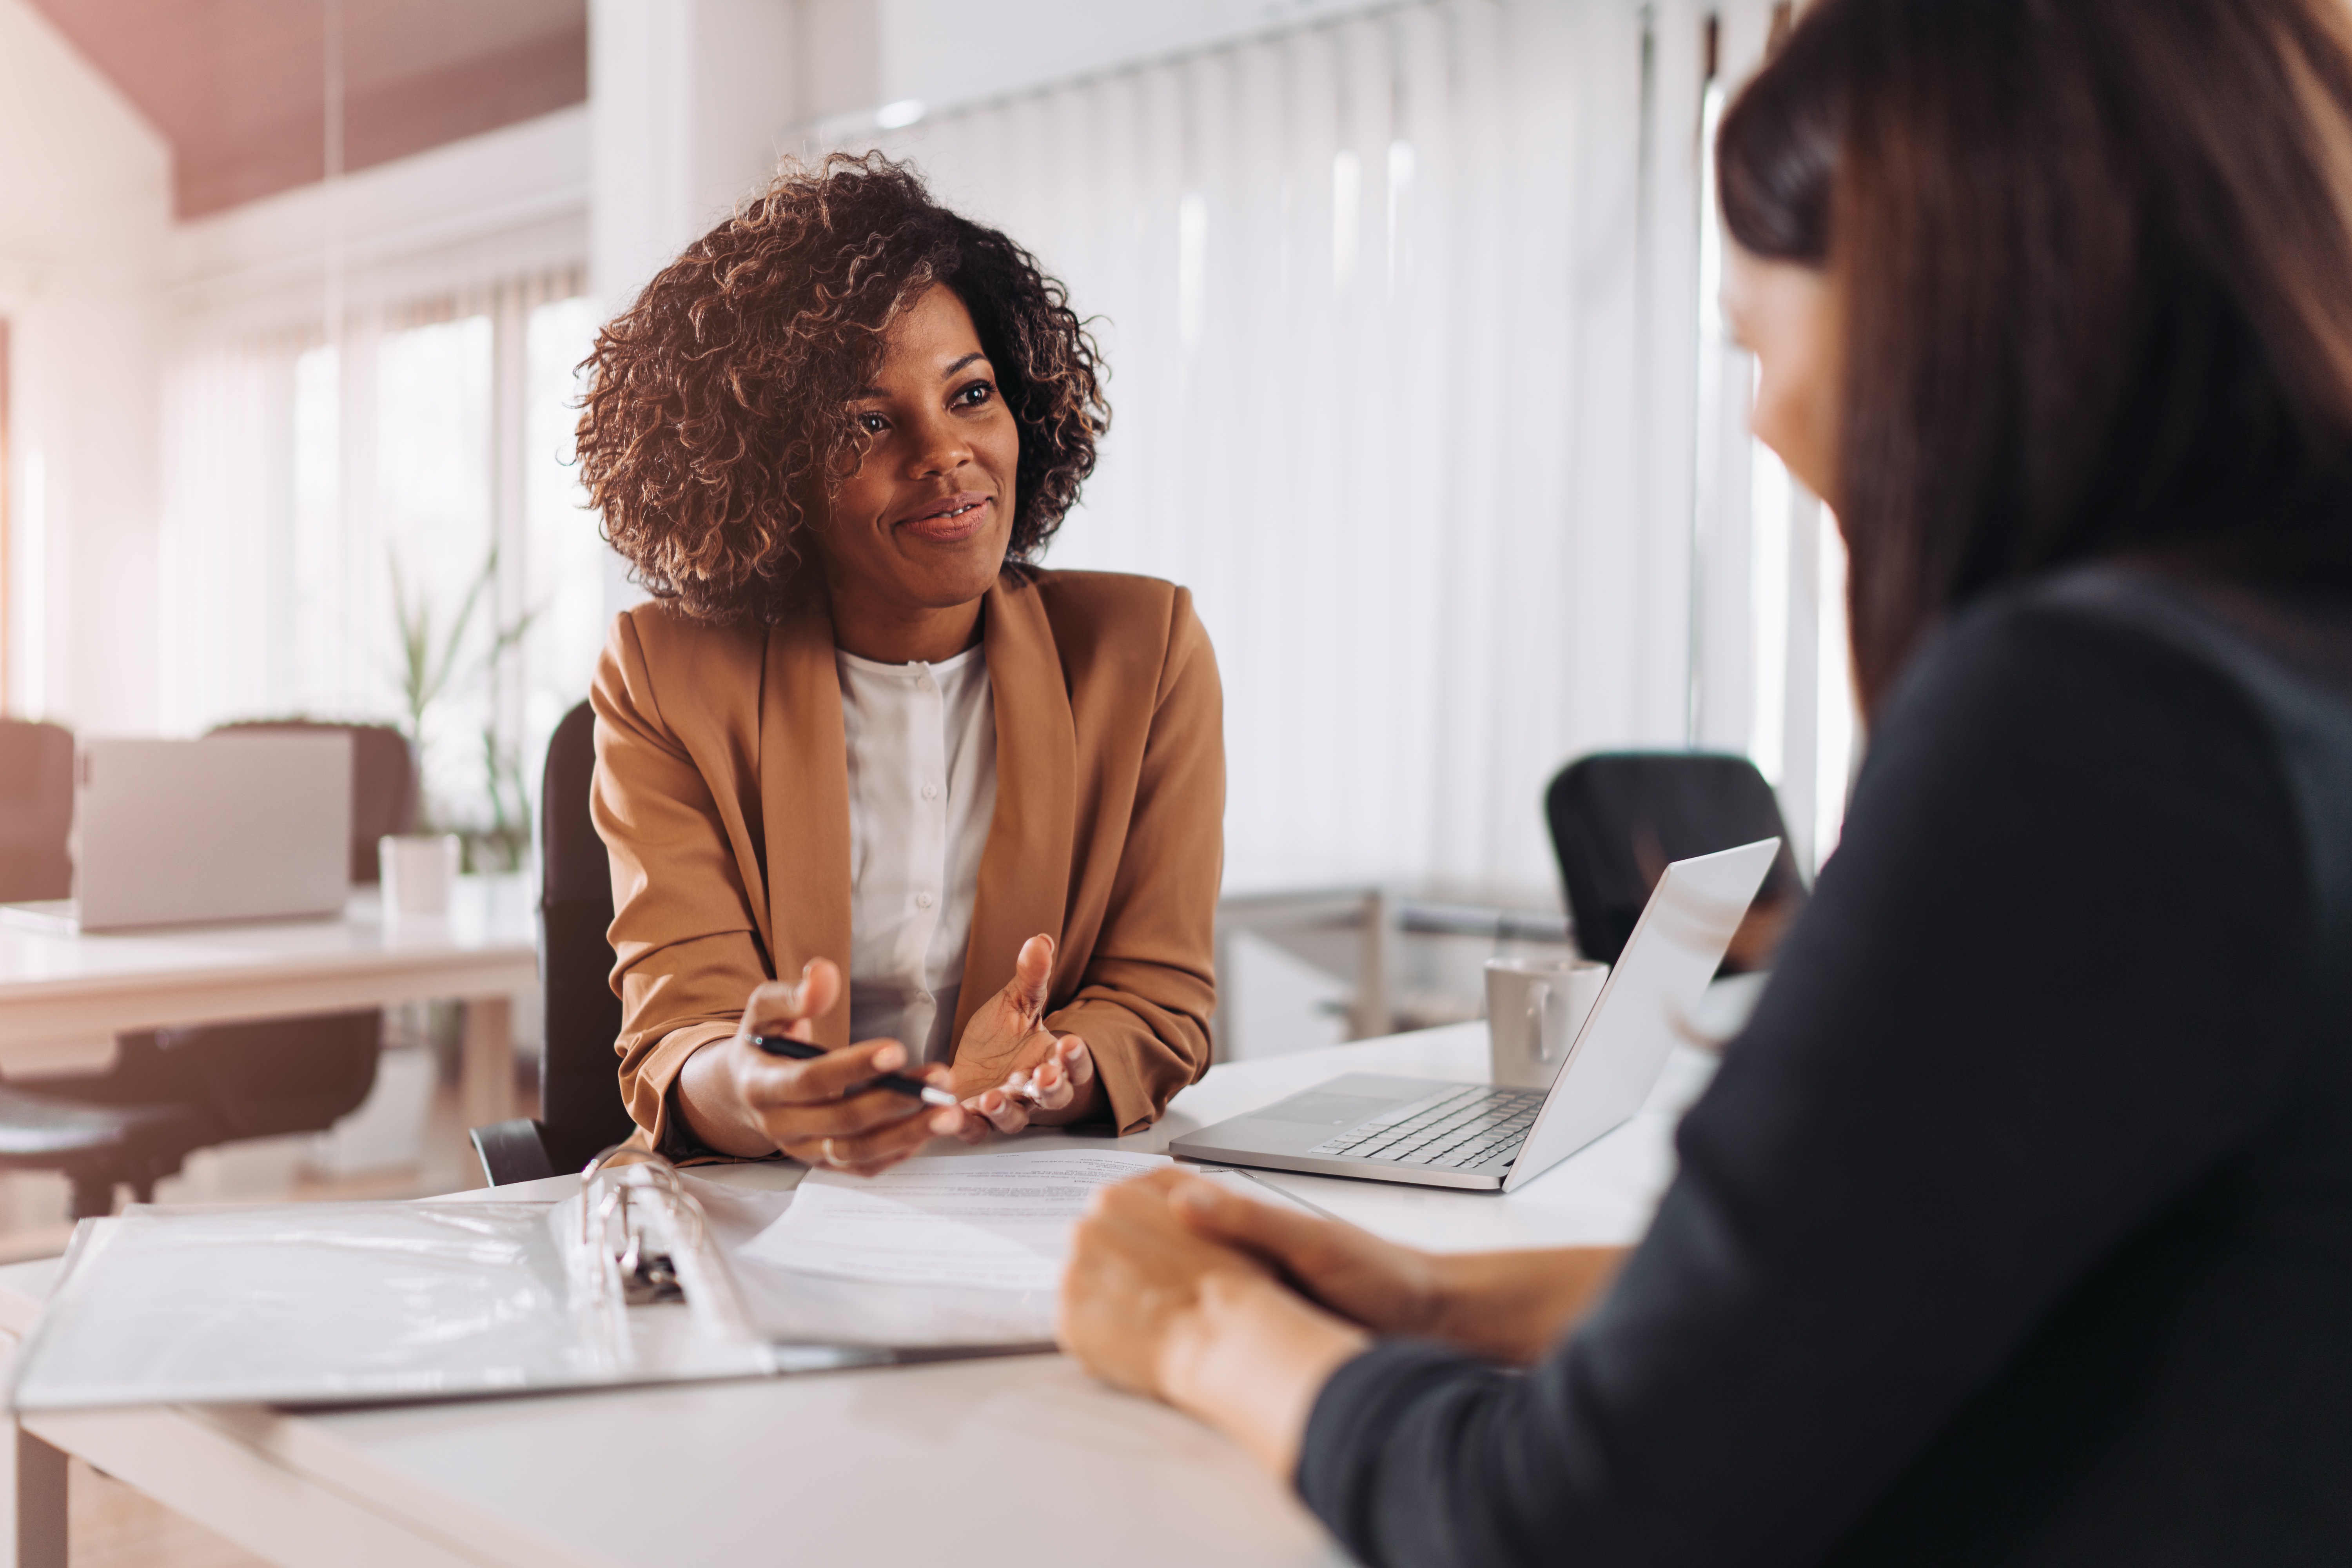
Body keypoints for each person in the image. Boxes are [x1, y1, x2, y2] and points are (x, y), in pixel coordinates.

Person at [1057, 1, 2352, 1562]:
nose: (1765, 423)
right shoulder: (2277, 673)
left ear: (1935, 300)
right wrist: (1429, 1296)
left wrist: (1204, 1333)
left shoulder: (2100, 724)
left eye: (1754, 341)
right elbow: (1891, 1289)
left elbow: (1580, 1522)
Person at [576, 154, 1222, 1172]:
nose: (944, 452)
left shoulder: (1143, 653)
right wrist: (762, 1091)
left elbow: (1161, 996)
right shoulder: (665, 673)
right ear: (770, 468)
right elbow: (681, 1030)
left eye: (970, 394)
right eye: (869, 423)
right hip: (764, 1209)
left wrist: (1057, 1072)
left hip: (1031, 1204)